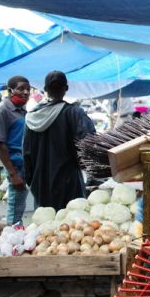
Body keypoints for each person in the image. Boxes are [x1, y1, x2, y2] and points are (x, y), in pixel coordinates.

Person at [23, 71, 95, 211]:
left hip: (40, 181)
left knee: (46, 225)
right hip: (68, 180)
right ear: (66, 88)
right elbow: (89, 143)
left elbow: (26, 152)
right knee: (71, 225)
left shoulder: (31, 117)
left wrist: (31, 180)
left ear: (45, 89)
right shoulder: (74, 112)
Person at [0, 76, 30, 226]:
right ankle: (11, 237)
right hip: (15, 164)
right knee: (15, 205)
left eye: (28, 89)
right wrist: (13, 174)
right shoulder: (1, 111)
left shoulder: (21, 110)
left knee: (21, 203)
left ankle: (17, 234)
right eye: (21, 89)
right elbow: (0, 144)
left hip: (25, 163)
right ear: (10, 90)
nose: (25, 92)